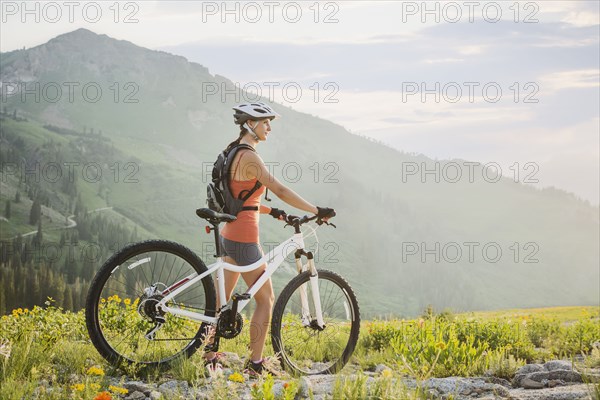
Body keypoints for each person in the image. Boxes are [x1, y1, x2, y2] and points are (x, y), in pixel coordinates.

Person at [203, 102, 335, 377]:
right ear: (250, 123)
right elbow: (279, 188)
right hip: (245, 239)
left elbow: (240, 199)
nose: (269, 128)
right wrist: (315, 210)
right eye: (265, 123)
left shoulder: (232, 150)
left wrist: (273, 211)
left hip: (229, 234)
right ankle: (255, 364)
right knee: (266, 299)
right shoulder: (250, 157)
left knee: (224, 300)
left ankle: (210, 355)